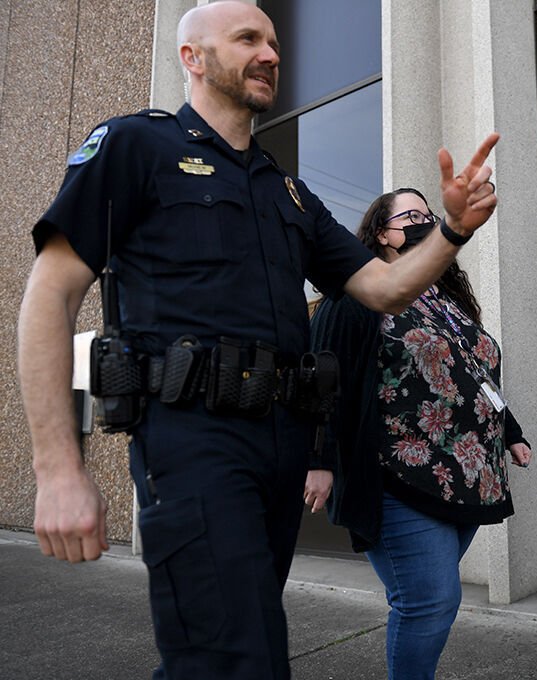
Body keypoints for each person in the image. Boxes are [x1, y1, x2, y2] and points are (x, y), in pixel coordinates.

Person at [17, 3, 498, 679]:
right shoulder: (136, 147)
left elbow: (384, 288)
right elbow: (51, 293)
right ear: (192, 57)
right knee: (241, 660)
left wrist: (452, 231)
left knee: (223, 653)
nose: (272, 52)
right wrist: (58, 469)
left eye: (274, 41)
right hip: (191, 443)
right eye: (248, 38)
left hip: (279, 447)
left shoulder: (290, 195)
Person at [304, 188, 531, 680]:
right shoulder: (358, 294)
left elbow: (476, 371)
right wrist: (318, 459)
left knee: (425, 598)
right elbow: (324, 379)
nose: (424, 222)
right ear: (382, 233)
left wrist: (510, 429)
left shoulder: (444, 299)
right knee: (430, 601)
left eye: (429, 215)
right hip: (398, 475)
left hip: (468, 477)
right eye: (411, 216)